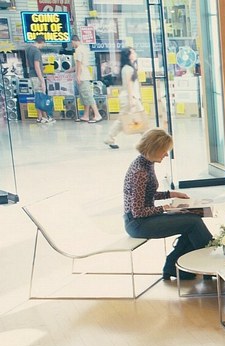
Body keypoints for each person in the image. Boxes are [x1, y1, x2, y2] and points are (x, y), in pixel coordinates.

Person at [122, 128, 212, 280]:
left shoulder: (145, 163)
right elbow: (137, 211)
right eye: (164, 150)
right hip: (138, 224)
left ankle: (175, 266)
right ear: (153, 149)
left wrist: (171, 194)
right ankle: (208, 265)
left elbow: (146, 194)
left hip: (144, 219)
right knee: (193, 223)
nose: (166, 154)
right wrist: (164, 208)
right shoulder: (140, 172)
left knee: (192, 220)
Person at [105, 47, 143, 149]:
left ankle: (146, 138)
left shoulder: (129, 67)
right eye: (133, 52)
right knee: (123, 119)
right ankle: (110, 137)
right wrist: (131, 100)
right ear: (128, 56)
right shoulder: (128, 69)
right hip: (129, 98)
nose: (135, 54)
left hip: (131, 97)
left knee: (136, 117)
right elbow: (129, 86)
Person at [71, 35, 103, 123]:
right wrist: (69, 70)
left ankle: (97, 115)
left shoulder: (78, 50)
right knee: (85, 97)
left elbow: (79, 64)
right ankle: (86, 115)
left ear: (73, 41)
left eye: (72, 43)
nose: (72, 45)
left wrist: (78, 76)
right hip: (86, 75)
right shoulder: (84, 48)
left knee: (88, 96)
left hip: (82, 77)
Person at [24, 36, 54, 124]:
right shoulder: (36, 51)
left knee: (37, 97)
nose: (43, 46)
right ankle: (44, 117)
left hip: (32, 75)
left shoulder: (28, 49)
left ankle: (40, 117)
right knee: (41, 97)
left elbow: (28, 64)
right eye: (43, 44)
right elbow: (37, 65)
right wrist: (41, 79)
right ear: (41, 42)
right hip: (37, 76)